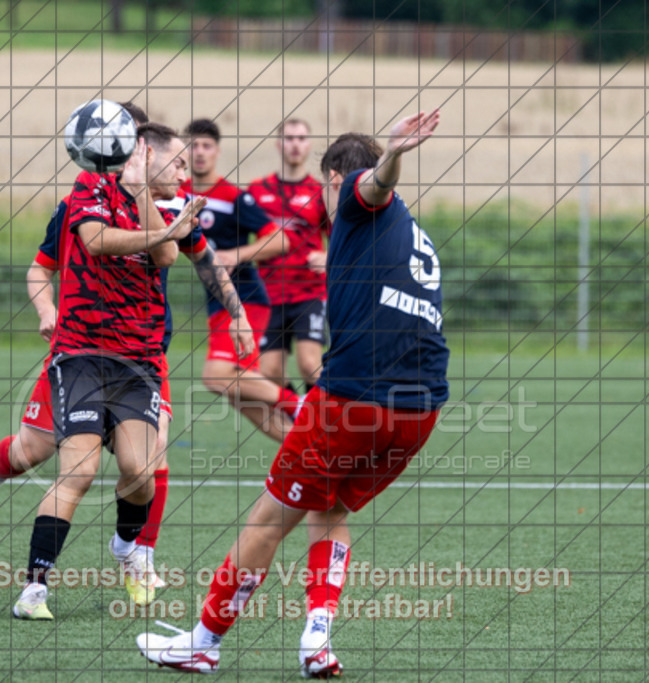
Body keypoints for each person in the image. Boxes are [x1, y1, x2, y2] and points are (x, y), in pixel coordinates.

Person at [137, 110, 448, 677]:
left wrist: (394, 153)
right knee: (328, 507)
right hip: (422, 410)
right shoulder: (414, 233)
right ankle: (317, 640)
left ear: (332, 181)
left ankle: (204, 641)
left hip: (356, 399)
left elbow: (374, 182)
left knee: (268, 518)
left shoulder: (356, 197)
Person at [0, 121, 254, 620]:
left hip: (140, 360)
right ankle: (34, 590)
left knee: (142, 469)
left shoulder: (171, 205)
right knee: (65, 463)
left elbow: (168, 255)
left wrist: (239, 314)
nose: (187, 171)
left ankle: (130, 547)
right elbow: (94, 243)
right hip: (79, 355)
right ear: (141, 152)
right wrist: (47, 309)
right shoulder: (88, 189)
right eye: (178, 161)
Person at [182, 118, 302, 442]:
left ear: (217, 152)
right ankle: (307, 453)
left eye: (206, 146)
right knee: (241, 397)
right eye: (193, 145)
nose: (200, 152)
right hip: (217, 304)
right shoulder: (178, 196)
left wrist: (237, 254)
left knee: (216, 376)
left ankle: (300, 404)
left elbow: (281, 240)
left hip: (246, 299)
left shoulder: (232, 196)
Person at [248, 118, 330, 393]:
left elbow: (342, 239)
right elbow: (238, 235)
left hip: (309, 292)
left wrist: (328, 256)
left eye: (301, 138)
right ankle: (300, 416)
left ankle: (325, 423)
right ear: (278, 144)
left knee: (310, 365)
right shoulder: (257, 191)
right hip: (268, 293)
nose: (295, 144)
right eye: (289, 138)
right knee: (269, 371)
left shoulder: (320, 192)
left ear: (308, 146)